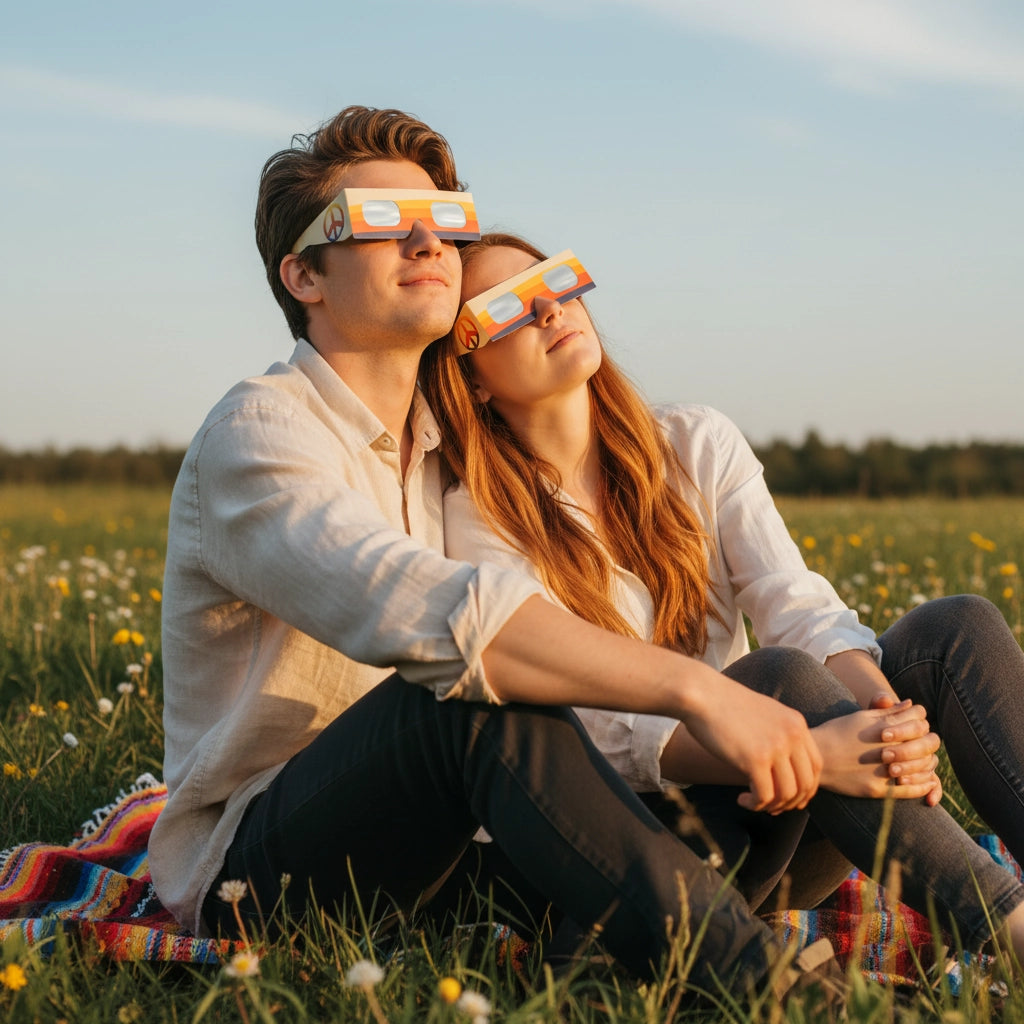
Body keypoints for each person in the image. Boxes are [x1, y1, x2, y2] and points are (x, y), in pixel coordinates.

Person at [150, 105, 888, 1002]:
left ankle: (615, 965)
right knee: (465, 693)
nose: (428, 242)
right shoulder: (261, 435)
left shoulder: (442, 455)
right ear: (304, 274)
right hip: (264, 873)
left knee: (766, 722)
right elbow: (442, 619)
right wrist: (698, 688)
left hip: (446, 856)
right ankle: (771, 990)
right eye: (382, 224)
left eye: (445, 220)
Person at [419, 231, 1024, 962]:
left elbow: (794, 602)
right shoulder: (476, 518)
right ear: (470, 376)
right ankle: (1012, 930)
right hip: (645, 846)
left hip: (787, 802)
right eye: (511, 306)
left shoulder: (694, 441)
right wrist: (797, 745)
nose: (552, 306)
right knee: (774, 682)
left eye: (557, 278)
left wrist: (884, 723)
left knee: (956, 627)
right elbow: (591, 728)